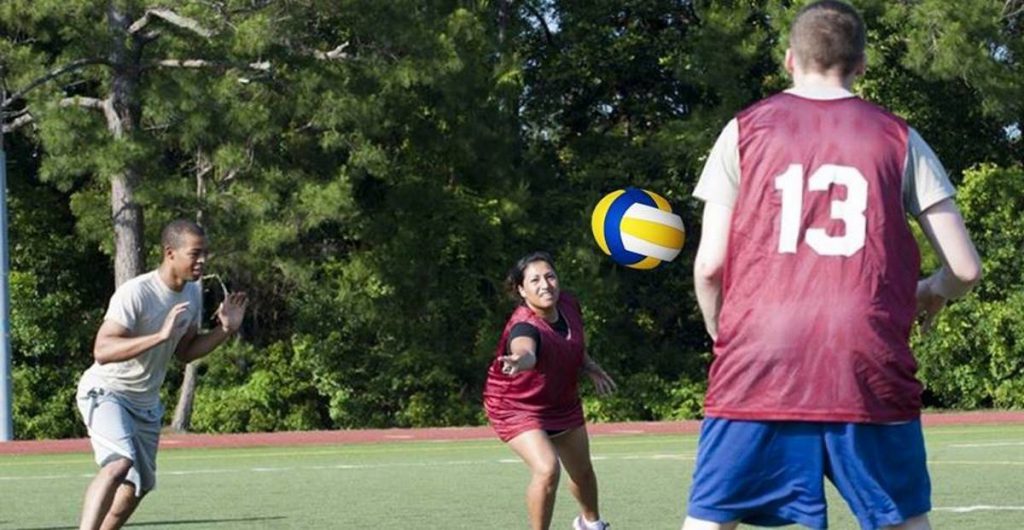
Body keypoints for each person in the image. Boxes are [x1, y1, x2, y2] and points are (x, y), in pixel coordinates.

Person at [685, 2, 982, 529]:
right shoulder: (898, 137)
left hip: (760, 354)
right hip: (864, 354)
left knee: (711, 520)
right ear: (862, 64)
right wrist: (932, 289)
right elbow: (965, 268)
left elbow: (709, 267)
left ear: (787, 59)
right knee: (903, 521)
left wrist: (721, 332)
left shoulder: (743, 131)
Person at [75, 219, 248, 530]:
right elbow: (101, 350)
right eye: (195, 254)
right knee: (119, 463)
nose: (202, 261)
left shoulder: (192, 294)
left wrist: (225, 330)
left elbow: (185, 352)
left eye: (205, 253)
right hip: (107, 391)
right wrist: (158, 336)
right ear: (170, 253)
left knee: (136, 488)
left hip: (145, 404)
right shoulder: (137, 292)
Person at [483, 251, 617, 530]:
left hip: (561, 402)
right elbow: (525, 350)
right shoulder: (524, 327)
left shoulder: (568, 303)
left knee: (582, 472)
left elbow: (574, 342)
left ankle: (591, 525)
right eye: (534, 281)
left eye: (550, 276)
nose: (545, 285)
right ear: (521, 290)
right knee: (547, 469)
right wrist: (519, 361)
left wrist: (588, 365)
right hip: (515, 406)